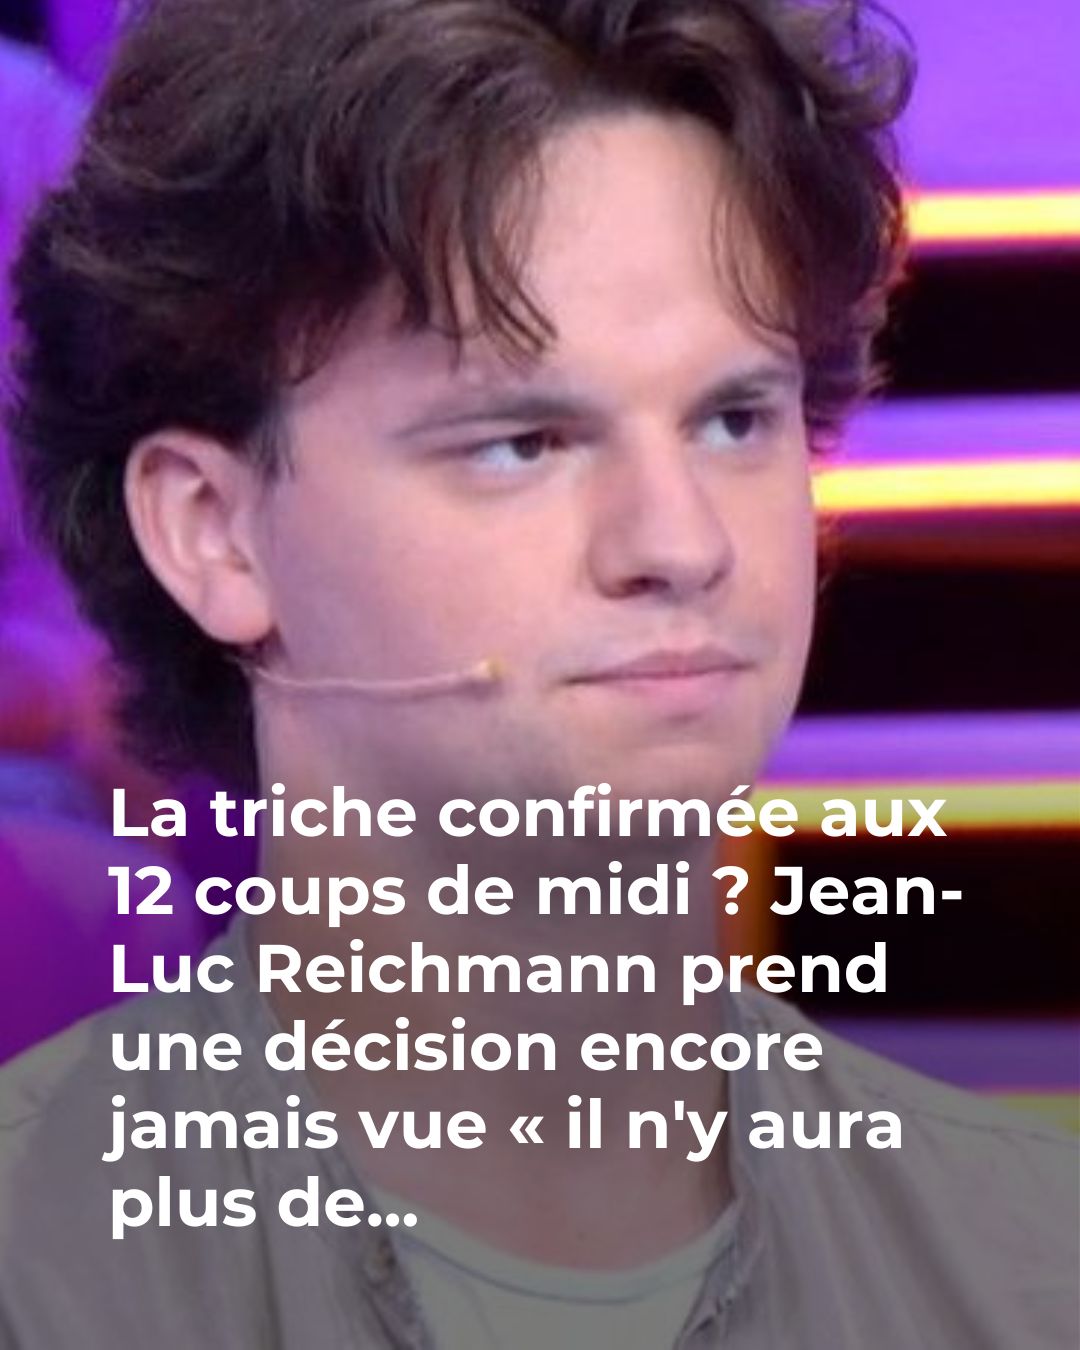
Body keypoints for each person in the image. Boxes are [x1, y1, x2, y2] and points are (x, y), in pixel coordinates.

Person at [0, 0, 1075, 1347]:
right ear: (214, 533)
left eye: (734, 420)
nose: (680, 543)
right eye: (522, 443)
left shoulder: (1031, 1268)